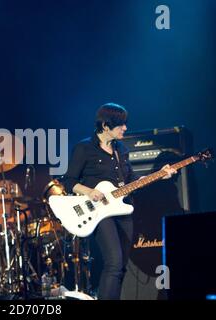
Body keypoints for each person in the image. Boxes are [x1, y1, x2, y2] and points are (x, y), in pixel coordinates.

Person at [61, 103, 175, 300]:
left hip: (122, 211)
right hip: (99, 212)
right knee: (113, 262)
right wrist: (89, 192)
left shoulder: (121, 149)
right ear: (105, 126)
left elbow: (130, 182)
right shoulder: (84, 148)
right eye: (120, 125)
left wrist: (159, 176)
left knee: (121, 266)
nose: (125, 128)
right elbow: (69, 181)